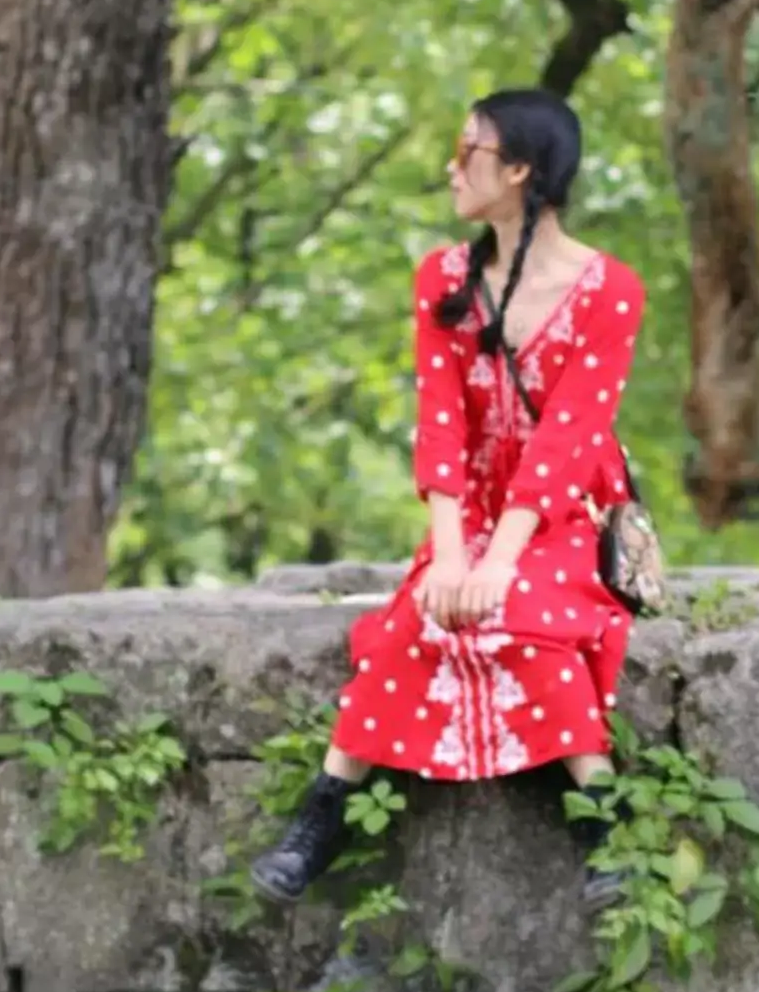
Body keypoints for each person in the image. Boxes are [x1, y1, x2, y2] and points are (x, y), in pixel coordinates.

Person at [252, 87, 646, 909]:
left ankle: (606, 822)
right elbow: (441, 428)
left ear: (520, 169)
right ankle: (323, 812)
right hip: (466, 508)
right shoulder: (444, 278)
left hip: (565, 508)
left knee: (523, 613)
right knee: (421, 614)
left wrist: (499, 561)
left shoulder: (610, 292)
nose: (450, 167)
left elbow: (568, 440)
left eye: (467, 151)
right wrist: (455, 550)